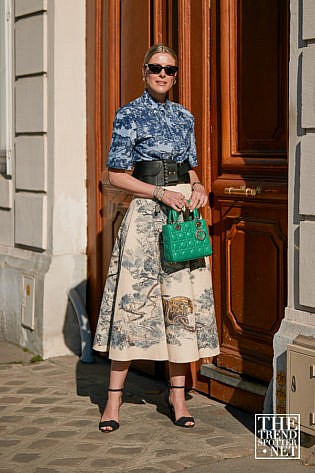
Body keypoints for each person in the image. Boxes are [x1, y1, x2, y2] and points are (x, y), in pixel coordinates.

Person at [93, 44, 220, 432]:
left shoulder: (185, 117)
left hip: (182, 220)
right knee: (135, 305)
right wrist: (159, 193)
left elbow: (192, 169)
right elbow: (115, 174)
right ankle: (112, 402)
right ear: (143, 71)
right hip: (148, 217)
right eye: (156, 68)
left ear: (176, 75)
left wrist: (199, 189)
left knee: (180, 304)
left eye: (170, 69)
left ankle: (177, 396)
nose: (163, 74)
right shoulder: (128, 114)